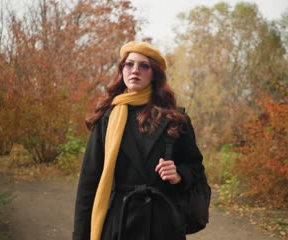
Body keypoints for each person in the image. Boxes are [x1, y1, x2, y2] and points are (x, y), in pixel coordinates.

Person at [73, 41, 206, 240]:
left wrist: (179, 174)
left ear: (155, 74)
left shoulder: (176, 120)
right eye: (129, 64)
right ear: (122, 70)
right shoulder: (106, 119)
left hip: (164, 225)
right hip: (119, 224)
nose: (135, 70)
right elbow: (88, 184)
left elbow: (196, 168)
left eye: (144, 65)